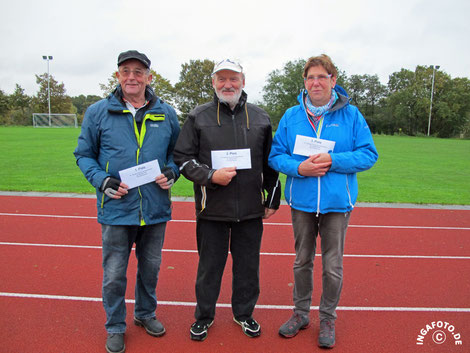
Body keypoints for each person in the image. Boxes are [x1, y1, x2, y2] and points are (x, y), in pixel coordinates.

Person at [73, 50, 180, 353]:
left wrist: (172, 172)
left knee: (150, 268)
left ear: (149, 76)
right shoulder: (97, 112)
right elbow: (83, 155)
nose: (131, 77)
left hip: (155, 208)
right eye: (125, 71)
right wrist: (102, 180)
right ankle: (115, 326)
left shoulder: (166, 112)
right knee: (114, 274)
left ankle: (145, 314)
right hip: (117, 209)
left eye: (138, 71)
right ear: (117, 76)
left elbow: (178, 154)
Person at [268, 54, 378, 348]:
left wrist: (334, 160)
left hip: (336, 204)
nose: (315, 82)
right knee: (302, 261)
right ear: (304, 82)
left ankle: (328, 317)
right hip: (302, 203)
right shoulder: (292, 116)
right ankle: (300, 313)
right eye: (310, 77)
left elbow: (369, 154)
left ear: (333, 80)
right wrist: (298, 168)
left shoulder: (351, 115)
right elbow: (276, 155)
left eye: (321, 77)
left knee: (332, 266)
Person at [173, 59, 281, 341]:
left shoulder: (260, 117)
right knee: (209, 267)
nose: (227, 84)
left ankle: (244, 314)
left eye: (233, 79)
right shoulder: (198, 116)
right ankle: (204, 316)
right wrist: (210, 176)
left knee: (247, 267)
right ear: (213, 83)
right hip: (212, 210)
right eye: (221, 79)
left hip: (249, 210)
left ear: (243, 82)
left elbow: (271, 163)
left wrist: (272, 197)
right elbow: (182, 158)